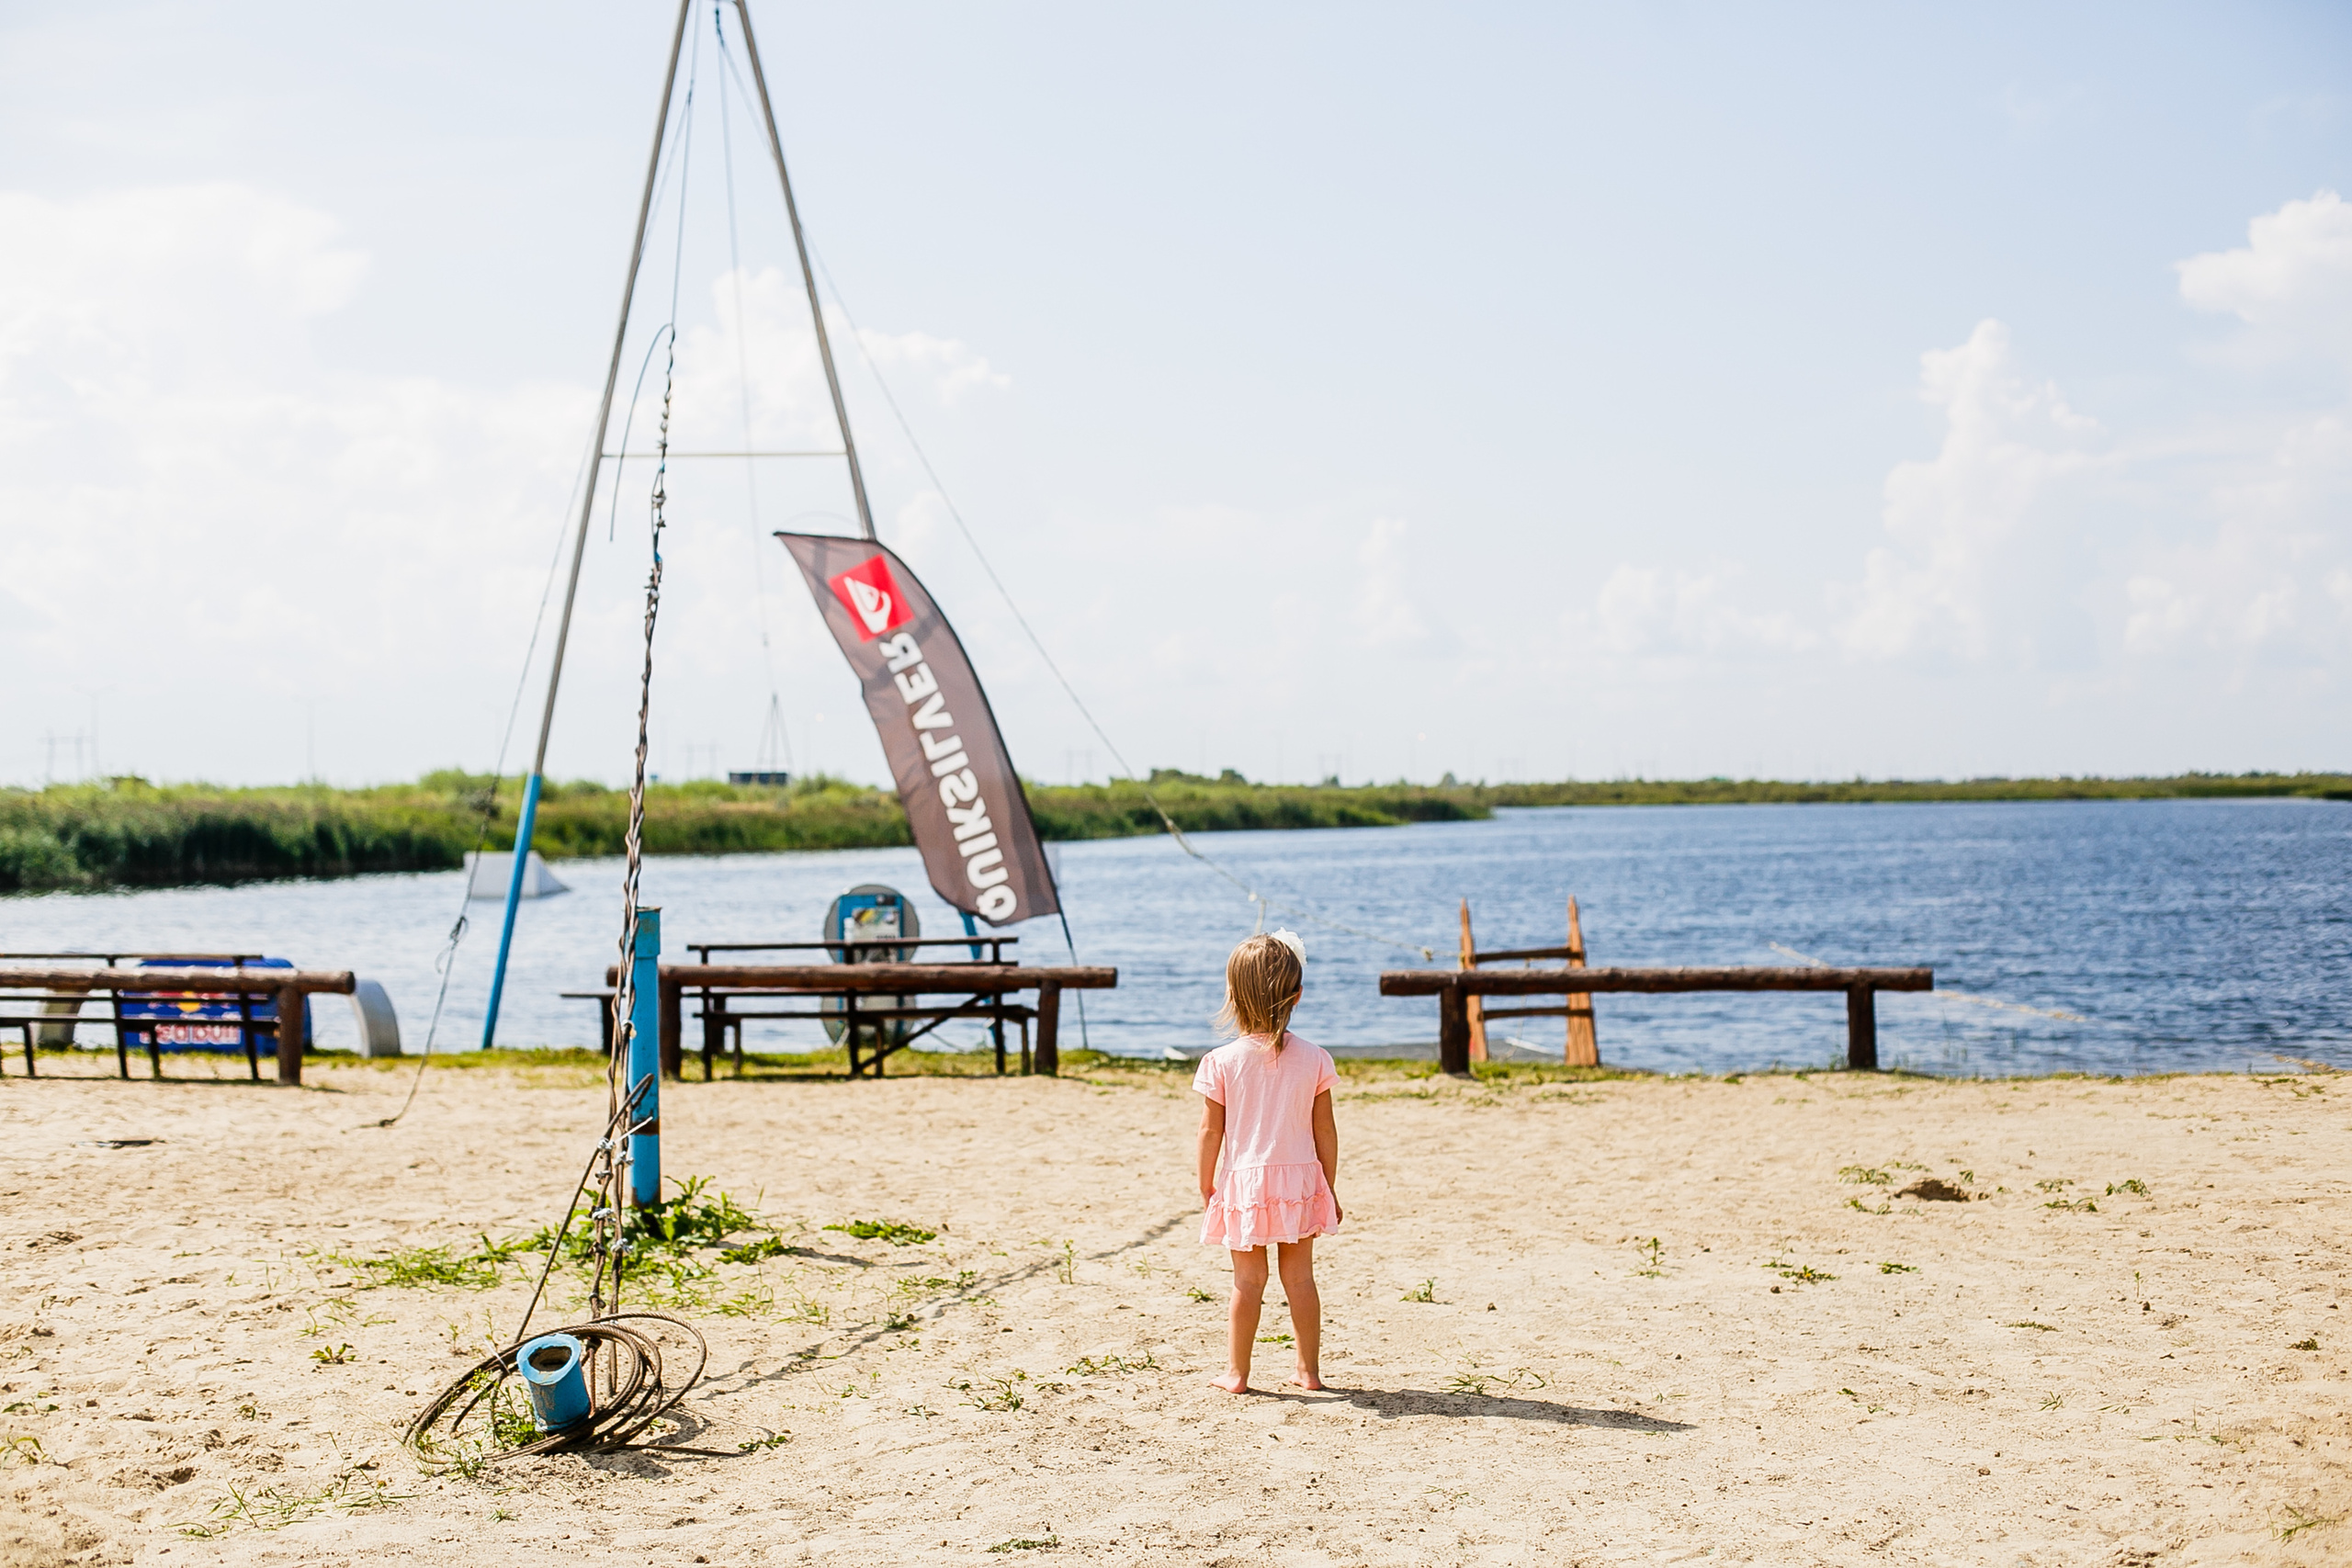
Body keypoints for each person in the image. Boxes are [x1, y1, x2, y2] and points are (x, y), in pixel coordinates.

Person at [1193, 930, 1341, 1393]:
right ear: (1297, 995)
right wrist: (1328, 1187)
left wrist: (1206, 1185)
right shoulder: (1316, 1059)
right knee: (1300, 1278)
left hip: (1244, 1184)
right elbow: (1325, 1131)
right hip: (1300, 1180)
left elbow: (1210, 1131)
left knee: (1247, 1280)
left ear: (1233, 994)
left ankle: (1238, 1374)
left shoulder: (1219, 1062)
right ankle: (1308, 1371)